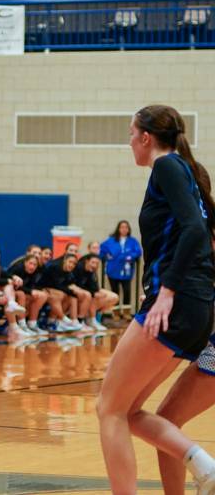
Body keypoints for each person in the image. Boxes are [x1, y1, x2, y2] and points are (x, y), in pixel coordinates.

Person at [96, 105, 215, 494]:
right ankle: (202, 466)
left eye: (131, 133)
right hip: (196, 308)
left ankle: (205, 466)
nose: (129, 141)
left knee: (109, 409)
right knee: (128, 410)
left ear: (146, 137)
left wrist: (167, 290)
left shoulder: (167, 165)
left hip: (176, 303)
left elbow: (194, 231)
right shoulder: (185, 173)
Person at [100, 219, 142, 318]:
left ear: (129, 229)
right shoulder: (111, 240)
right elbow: (102, 249)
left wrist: (130, 256)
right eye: (122, 227)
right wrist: (107, 256)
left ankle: (127, 312)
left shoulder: (132, 241)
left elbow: (138, 252)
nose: (124, 229)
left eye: (126, 227)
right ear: (118, 229)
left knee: (127, 291)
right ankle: (116, 313)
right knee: (115, 292)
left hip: (126, 271)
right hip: (113, 270)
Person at [7, 253, 49, 336]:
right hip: (11, 292)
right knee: (22, 294)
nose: (32, 266)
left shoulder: (35, 271)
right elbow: (15, 286)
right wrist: (30, 291)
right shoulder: (17, 268)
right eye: (30, 263)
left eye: (35, 265)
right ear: (25, 263)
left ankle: (32, 323)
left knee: (43, 295)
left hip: (24, 291)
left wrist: (35, 291)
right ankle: (22, 325)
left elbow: (32, 285)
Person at [73, 253, 117, 331]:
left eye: (97, 263)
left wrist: (96, 292)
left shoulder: (91, 270)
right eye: (93, 262)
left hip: (86, 291)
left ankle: (96, 317)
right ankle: (87, 319)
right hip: (75, 291)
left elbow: (94, 287)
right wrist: (93, 293)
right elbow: (77, 285)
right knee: (92, 295)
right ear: (87, 261)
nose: (95, 265)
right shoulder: (78, 268)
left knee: (113, 297)